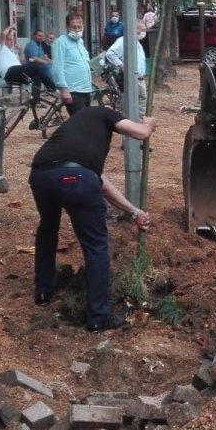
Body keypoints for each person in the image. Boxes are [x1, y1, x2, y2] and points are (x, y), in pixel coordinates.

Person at [28, 106, 156, 330]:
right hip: (76, 177)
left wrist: (134, 212)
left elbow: (99, 184)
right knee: (96, 245)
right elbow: (141, 133)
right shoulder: (103, 113)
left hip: (41, 176)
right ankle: (98, 318)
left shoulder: (72, 133)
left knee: (48, 229)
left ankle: (43, 292)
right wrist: (151, 123)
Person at [52, 14, 94, 116]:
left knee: (86, 120)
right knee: (80, 123)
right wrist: (64, 89)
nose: (77, 30)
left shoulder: (80, 42)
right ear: (67, 27)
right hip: (73, 91)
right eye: (73, 27)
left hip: (86, 89)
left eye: (79, 27)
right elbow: (58, 67)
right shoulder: (61, 42)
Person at [105, 21, 148, 118]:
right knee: (130, 105)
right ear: (136, 30)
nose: (144, 33)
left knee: (141, 104)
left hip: (140, 79)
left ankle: (139, 125)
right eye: (143, 30)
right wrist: (121, 65)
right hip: (130, 78)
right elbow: (110, 54)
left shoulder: (137, 43)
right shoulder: (123, 41)